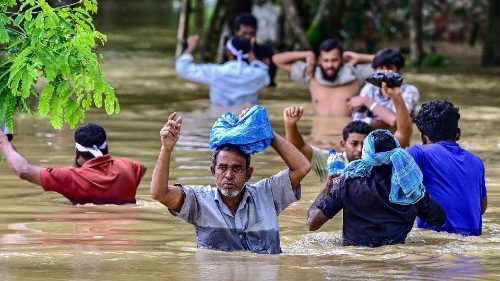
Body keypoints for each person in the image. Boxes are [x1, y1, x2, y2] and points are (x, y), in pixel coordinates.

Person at [150, 112, 310, 254]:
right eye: (222, 168)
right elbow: (159, 193)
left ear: (249, 174)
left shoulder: (267, 194)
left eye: (236, 169)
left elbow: (302, 167)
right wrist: (166, 148)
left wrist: (267, 131)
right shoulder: (199, 201)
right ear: (213, 172)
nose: (228, 175)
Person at [307, 130, 446, 247]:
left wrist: (327, 187)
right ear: (396, 151)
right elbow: (439, 219)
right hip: (397, 263)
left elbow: (312, 223)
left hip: (355, 263)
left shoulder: (347, 183)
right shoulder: (410, 189)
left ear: (366, 154)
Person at [283, 82, 413, 183]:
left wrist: (396, 96)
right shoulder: (330, 161)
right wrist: (290, 125)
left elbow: (403, 132)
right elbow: (298, 149)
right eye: (354, 143)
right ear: (343, 144)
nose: (360, 149)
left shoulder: (380, 160)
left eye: (364, 144)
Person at [0, 123, 146, 205]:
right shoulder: (130, 167)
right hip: (124, 238)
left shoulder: (71, 177)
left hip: (87, 237)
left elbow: (24, 170)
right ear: (106, 148)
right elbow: (142, 169)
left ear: (77, 152)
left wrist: (4, 143)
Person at [408, 100, 487, 236]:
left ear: (423, 137)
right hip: (471, 248)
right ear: (458, 134)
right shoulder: (476, 162)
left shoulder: (419, 153)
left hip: (435, 246)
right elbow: (481, 207)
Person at [272, 39, 374, 116]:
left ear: (342, 60)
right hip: (318, 139)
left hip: (347, 140)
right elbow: (276, 60)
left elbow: (388, 67)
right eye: (326, 60)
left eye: (334, 60)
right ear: (319, 60)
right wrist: (307, 54)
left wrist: (360, 57)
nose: (330, 65)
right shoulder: (311, 73)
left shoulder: (356, 73)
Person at [176, 35, 270, 106]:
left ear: (229, 53)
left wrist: (190, 48)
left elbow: (183, 68)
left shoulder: (216, 72)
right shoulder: (259, 75)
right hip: (246, 121)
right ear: (250, 53)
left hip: (220, 121)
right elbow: (265, 75)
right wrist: (253, 59)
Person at [349, 48, 420, 130]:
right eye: (381, 68)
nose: (385, 73)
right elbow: (357, 124)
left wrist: (366, 101)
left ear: (399, 71)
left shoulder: (409, 91)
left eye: (389, 68)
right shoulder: (368, 89)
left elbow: (397, 122)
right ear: (375, 70)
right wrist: (386, 120)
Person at [222, 13, 277, 86]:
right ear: (236, 32)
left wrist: (255, 61)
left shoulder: (266, 51)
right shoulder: (230, 52)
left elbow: (270, 78)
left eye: (252, 33)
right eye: (244, 34)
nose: (248, 37)